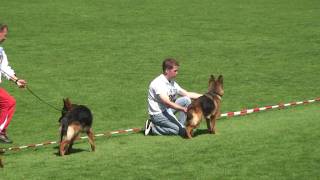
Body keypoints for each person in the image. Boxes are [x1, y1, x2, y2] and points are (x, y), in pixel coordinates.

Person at [145, 58, 202, 137]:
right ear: (167, 71)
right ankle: (153, 128)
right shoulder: (158, 84)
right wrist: (183, 109)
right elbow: (167, 103)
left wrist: (205, 96)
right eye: (175, 71)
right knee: (181, 132)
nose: (177, 73)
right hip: (158, 114)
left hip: (167, 110)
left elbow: (186, 93)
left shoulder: (172, 82)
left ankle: (181, 126)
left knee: (186, 100)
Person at [0, 23, 27, 143]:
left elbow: (5, 68)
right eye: (4, 35)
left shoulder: (1, 51)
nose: (5, 38)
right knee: (9, 102)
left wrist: (17, 81)